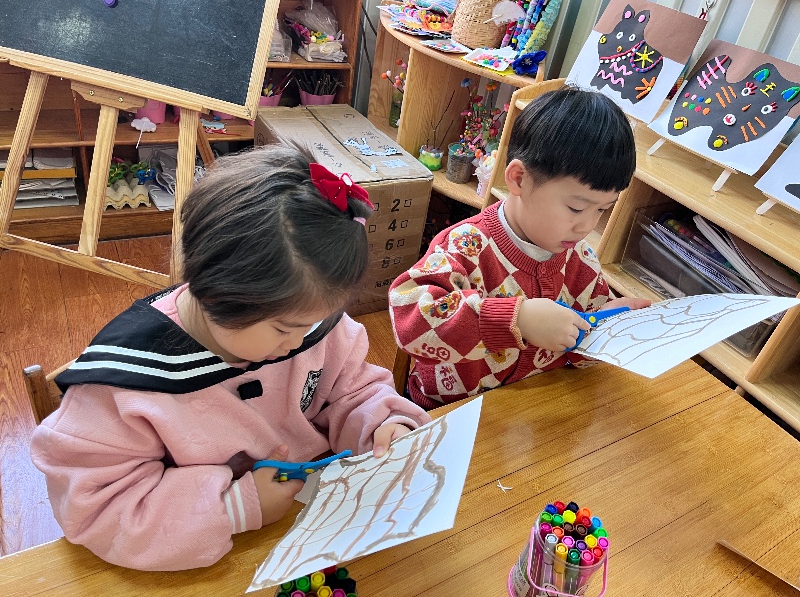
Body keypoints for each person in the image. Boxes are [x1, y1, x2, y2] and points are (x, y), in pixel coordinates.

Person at [30, 146, 431, 571]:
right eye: (285, 329)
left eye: (316, 320)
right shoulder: (124, 383)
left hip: (317, 525)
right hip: (203, 557)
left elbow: (353, 390)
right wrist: (234, 507)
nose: (301, 340)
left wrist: (383, 424)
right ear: (213, 294)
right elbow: (97, 510)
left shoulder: (306, 318)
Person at [389, 87, 650, 409]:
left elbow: (579, 350)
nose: (586, 226)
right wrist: (518, 319)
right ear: (519, 179)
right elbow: (410, 323)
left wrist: (607, 325)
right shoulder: (465, 246)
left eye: (602, 210)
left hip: (533, 408)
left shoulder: (580, 259)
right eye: (577, 208)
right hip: (450, 410)